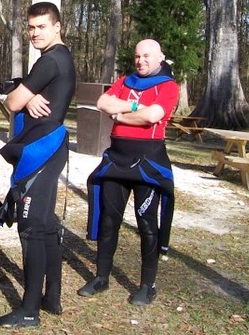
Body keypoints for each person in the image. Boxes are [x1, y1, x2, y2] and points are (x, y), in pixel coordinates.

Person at [0, 1, 76, 329]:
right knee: (45, 224)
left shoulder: (50, 60)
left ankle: (28, 310)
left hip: (40, 150)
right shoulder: (59, 59)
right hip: (50, 147)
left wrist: (23, 95)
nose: (35, 33)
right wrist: (28, 94)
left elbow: (12, 102)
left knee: (32, 228)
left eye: (42, 27)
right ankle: (51, 297)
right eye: (31, 27)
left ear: (57, 27)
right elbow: (21, 92)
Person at [78, 39, 179, 305]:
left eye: (147, 56)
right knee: (109, 221)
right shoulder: (125, 80)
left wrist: (121, 114)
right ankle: (101, 277)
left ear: (160, 57)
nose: (141, 60)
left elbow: (152, 116)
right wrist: (134, 107)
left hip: (148, 161)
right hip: (117, 159)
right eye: (137, 56)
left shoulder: (168, 87)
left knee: (146, 225)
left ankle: (148, 285)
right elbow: (102, 102)